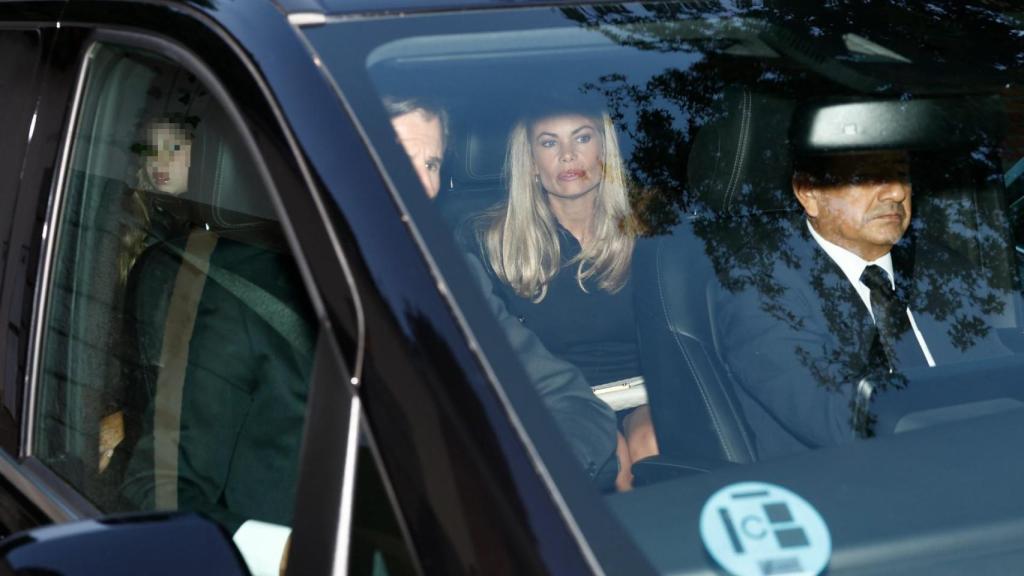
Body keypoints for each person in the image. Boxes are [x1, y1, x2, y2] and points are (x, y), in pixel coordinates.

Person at [385, 97, 621, 485]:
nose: (426, 185)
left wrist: (538, 475)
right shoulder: (286, 280)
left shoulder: (447, 275)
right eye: (400, 157)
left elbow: (561, 395)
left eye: (431, 164)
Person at [714, 150, 1010, 458]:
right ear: (809, 193)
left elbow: (997, 380)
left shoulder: (940, 271)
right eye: (867, 175)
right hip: (847, 489)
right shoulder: (760, 286)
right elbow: (846, 419)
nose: (897, 192)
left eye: (901, 174)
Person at [474, 104, 656, 489]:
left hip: (647, 390)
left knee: (648, 442)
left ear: (604, 150)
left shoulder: (651, 229)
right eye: (549, 142)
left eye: (583, 137)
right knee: (611, 454)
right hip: (559, 402)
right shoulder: (489, 240)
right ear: (531, 162)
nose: (568, 155)